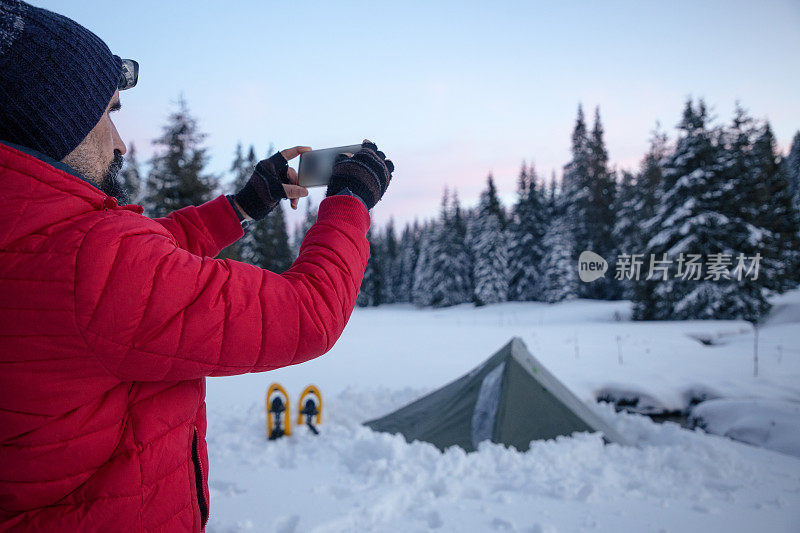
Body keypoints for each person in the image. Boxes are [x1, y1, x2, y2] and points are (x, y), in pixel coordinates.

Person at [0, 1, 394, 531]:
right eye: (109, 113)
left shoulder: (33, 239)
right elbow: (309, 315)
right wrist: (351, 202)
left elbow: (131, 270)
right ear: (54, 122)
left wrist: (241, 206)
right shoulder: (88, 261)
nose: (120, 142)